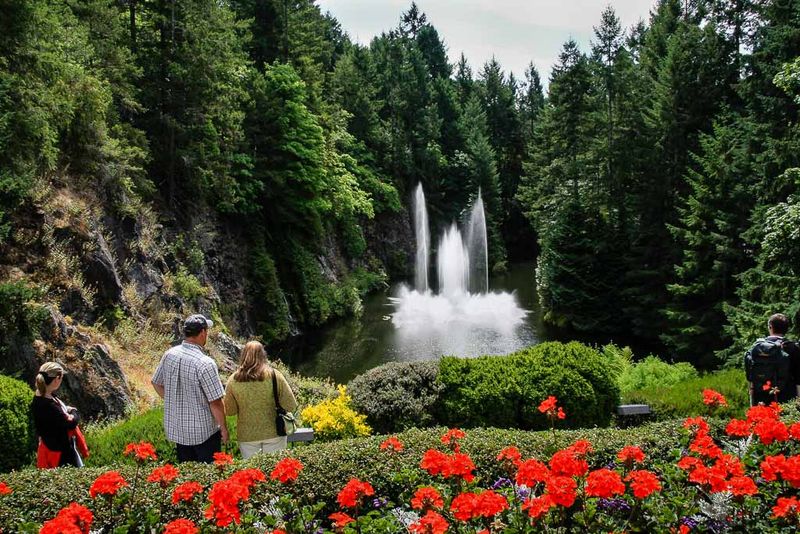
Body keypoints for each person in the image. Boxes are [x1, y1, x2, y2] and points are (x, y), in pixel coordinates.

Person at [152, 314, 228, 463]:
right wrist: (224, 428)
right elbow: (215, 402)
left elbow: (156, 382)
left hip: (178, 430)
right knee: (208, 478)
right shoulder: (205, 363)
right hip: (204, 433)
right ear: (202, 333)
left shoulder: (169, 354)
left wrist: (173, 400)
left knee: (187, 477)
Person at [224, 341, 298, 459]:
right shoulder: (275, 375)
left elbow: (229, 411)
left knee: (252, 474)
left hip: (247, 436)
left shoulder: (233, 380)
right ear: (263, 355)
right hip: (274, 432)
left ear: (243, 356)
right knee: (275, 470)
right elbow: (290, 405)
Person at [31, 362, 88, 468]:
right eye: (61, 378)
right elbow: (71, 423)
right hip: (59, 453)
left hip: (49, 446)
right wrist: (74, 412)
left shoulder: (40, 398)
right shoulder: (49, 406)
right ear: (57, 378)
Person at [745, 313, 800, 406]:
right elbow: (799, 379)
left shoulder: (757, 347)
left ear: (770, 327)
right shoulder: (792, 348)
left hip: (761, 399)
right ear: (786, 329)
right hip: (786, 400)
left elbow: (750, 377)